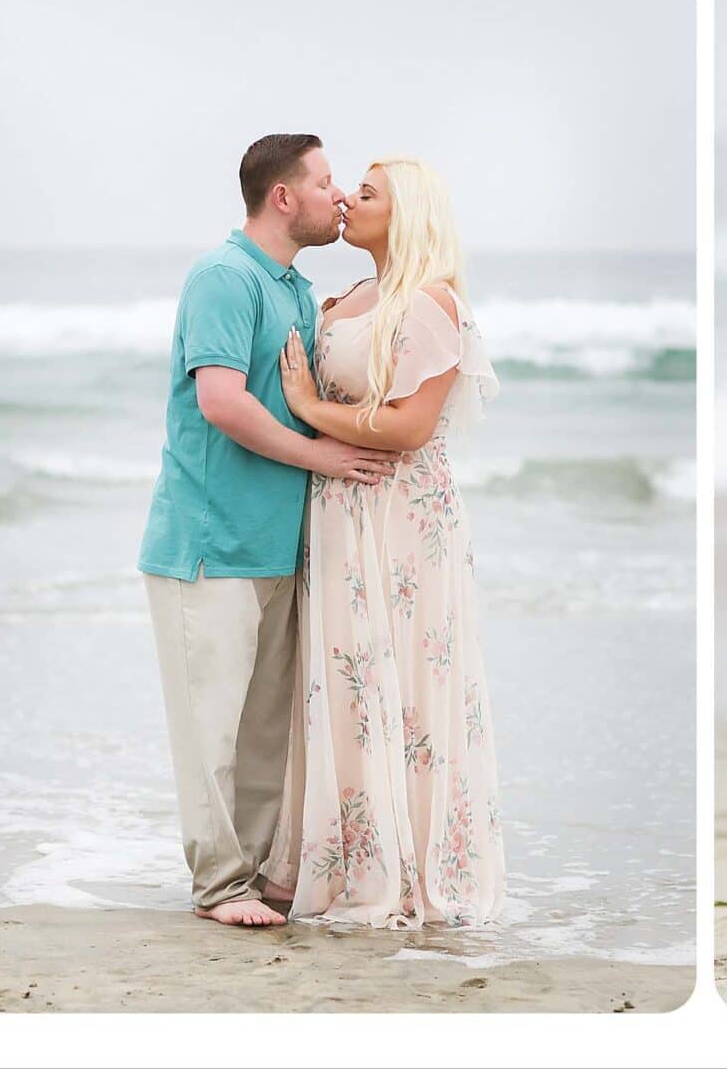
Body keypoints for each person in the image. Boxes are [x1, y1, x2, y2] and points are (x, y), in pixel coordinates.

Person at [138, 134, 401, 928]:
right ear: (283, 197)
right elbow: (221, 400)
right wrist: (321, 456)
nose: (338, 198)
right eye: (324, 183)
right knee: (211, 728)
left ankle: (249, 876)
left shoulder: (290, 287)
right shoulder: (224, 277)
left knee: (262, 732)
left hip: (277, 543)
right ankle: (219, 887)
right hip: (208, 544)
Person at [259, 156, 507, 928]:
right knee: (343, 674)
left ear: (408, 214)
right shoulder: (353, 298)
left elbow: (408, 428)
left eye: (365, 194)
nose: (345, 202)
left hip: (400, 513)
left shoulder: (430, 304)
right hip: (338, 507)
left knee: (402, 679)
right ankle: (336, 859)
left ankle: (403, 868)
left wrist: (305, 401)